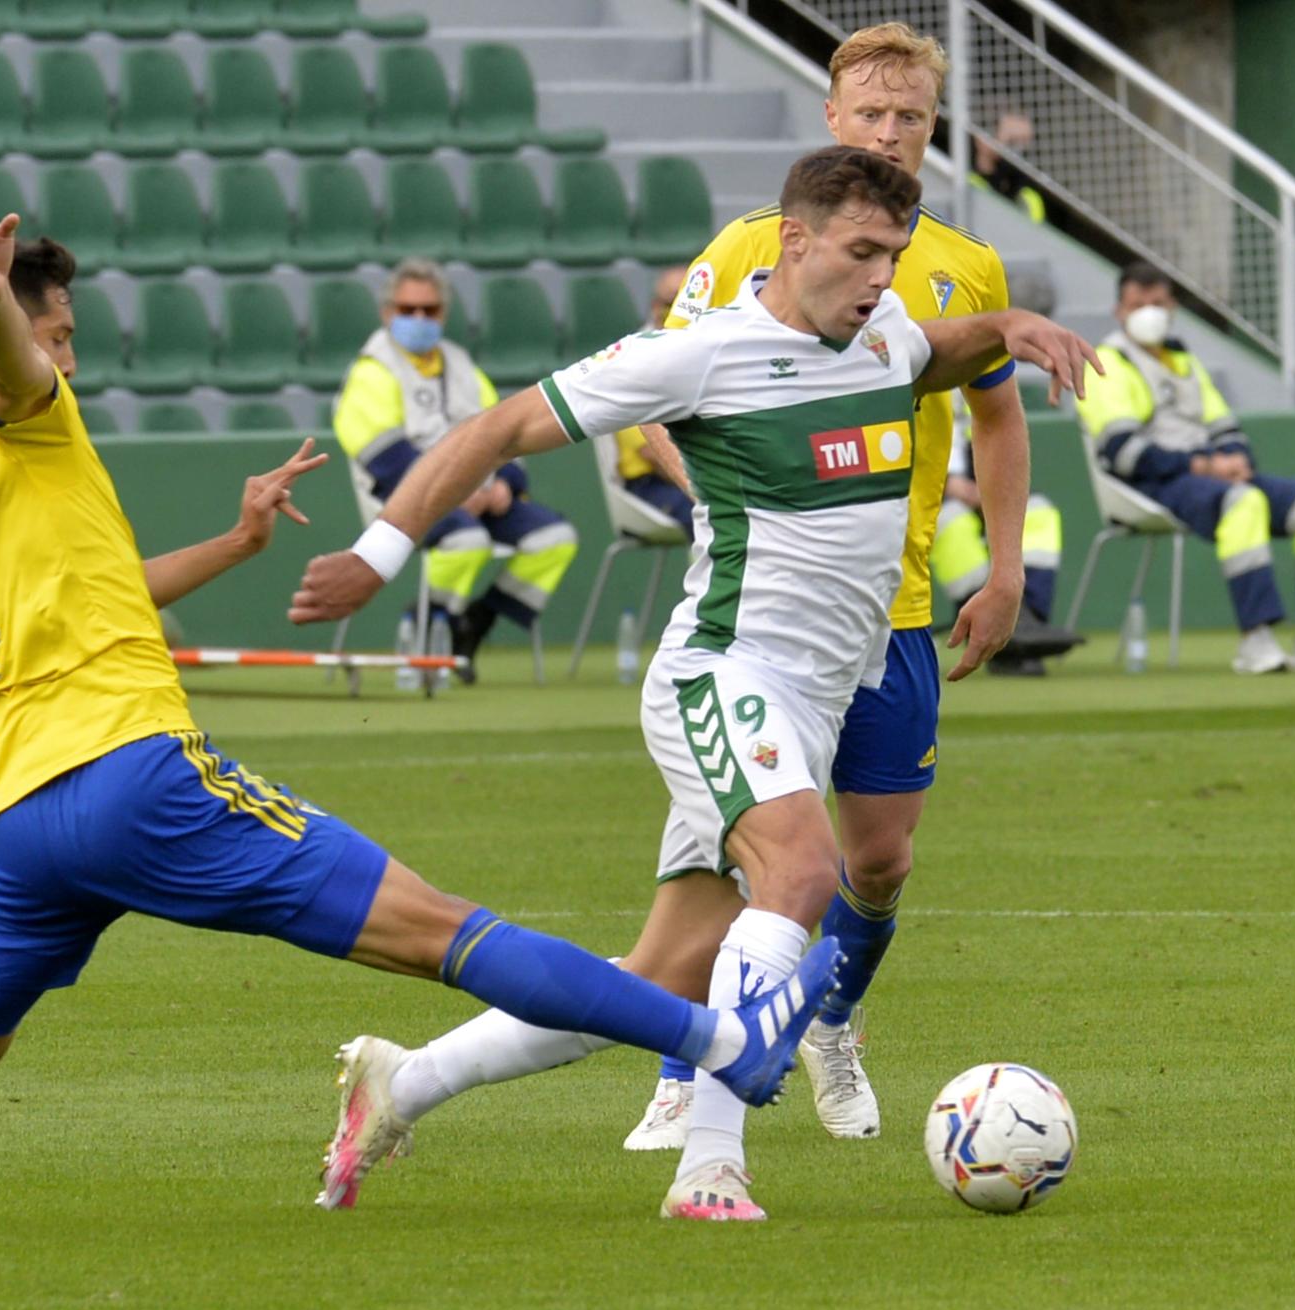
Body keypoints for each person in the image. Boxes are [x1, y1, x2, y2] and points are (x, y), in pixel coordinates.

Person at [0, 195, 837, 1238]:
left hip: (17, 822)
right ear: (5, 324)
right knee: (447, 931)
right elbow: (18, 381)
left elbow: (100, 594)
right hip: (130, 776)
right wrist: (5, 310)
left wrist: (237, 536)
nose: (72, 350)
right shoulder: (19, 400)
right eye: (65, 327)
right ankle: (723, 1036)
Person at [289, 147, 1100, 1220]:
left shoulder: (880, 333)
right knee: (804, 868)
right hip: (722, 673)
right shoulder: (698, 354)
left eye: (893, 256)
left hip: (809, 702)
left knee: (667, 968)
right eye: (861, 253)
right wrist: (378, 554)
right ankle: (707, 1166)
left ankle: (406, 1079)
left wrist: (1005, 328)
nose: (880, 279)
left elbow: (930, 345)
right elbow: (495, 426)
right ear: (794, 239)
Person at [624, 21, 1037, 1165]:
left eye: (910, 118)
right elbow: (663, 395)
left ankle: (828, 1018)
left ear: (931, 128)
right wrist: (716, 497)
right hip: (762, 618)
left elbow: (998, 417)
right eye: (871, 114)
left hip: (893, 612)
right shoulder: (752, 246)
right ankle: (679, 1069)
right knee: (734, 851)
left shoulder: (961, 262)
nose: (890, 134)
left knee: (879, 859)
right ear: (831, 116)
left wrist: (1000, 568)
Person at [1077, 262, 1295, 674]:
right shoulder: (1106, 363)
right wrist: (1203, 465)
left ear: (1173, 309)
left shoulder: (1184, 360)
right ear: (1119, 311)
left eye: (1158, 303)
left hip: (1210, 478)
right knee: (1243, 501)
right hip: (1153, 486)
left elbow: (1226, 427)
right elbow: (1123, 452)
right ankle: (1256, 639)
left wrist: (1235, 459)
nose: (1149, 312)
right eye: (1138, 304)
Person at [332, 259, 580, 682]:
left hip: (479, 493)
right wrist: (456, 492)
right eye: (408, 310)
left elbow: (505, 428)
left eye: (429, 310)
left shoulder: (461, 365)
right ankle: (429, 620)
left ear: (443, 314)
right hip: (402, 501)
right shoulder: (371, 371)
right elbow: (386, 460)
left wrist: (505, 482)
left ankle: (474, 624)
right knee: (467, 540)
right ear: (387, 312)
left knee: (554, 539)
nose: (419, 319)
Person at [931, 391, 1074, 675]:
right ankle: (987, 630)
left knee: (1038, 511)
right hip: (928, 492)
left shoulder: (973, 376)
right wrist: (948, 484)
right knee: (952, 521)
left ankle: (1028, 623)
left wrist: (990, 491)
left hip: (978, 484)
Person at [608, 265, 696, 536]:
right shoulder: (633, 361)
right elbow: (653, 454)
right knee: (715, 517)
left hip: (701, 476)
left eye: (688, 301)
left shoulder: (704, 354)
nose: (682, 311)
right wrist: (709, 490)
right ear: (655, 306)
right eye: (672, 303)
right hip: (652, 485)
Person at [971, 107, 1047, 224]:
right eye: (1012, 141)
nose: (1017, 151)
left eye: (1023, 143)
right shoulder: (966, 183)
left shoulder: (1029, 198)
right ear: (981, 139)